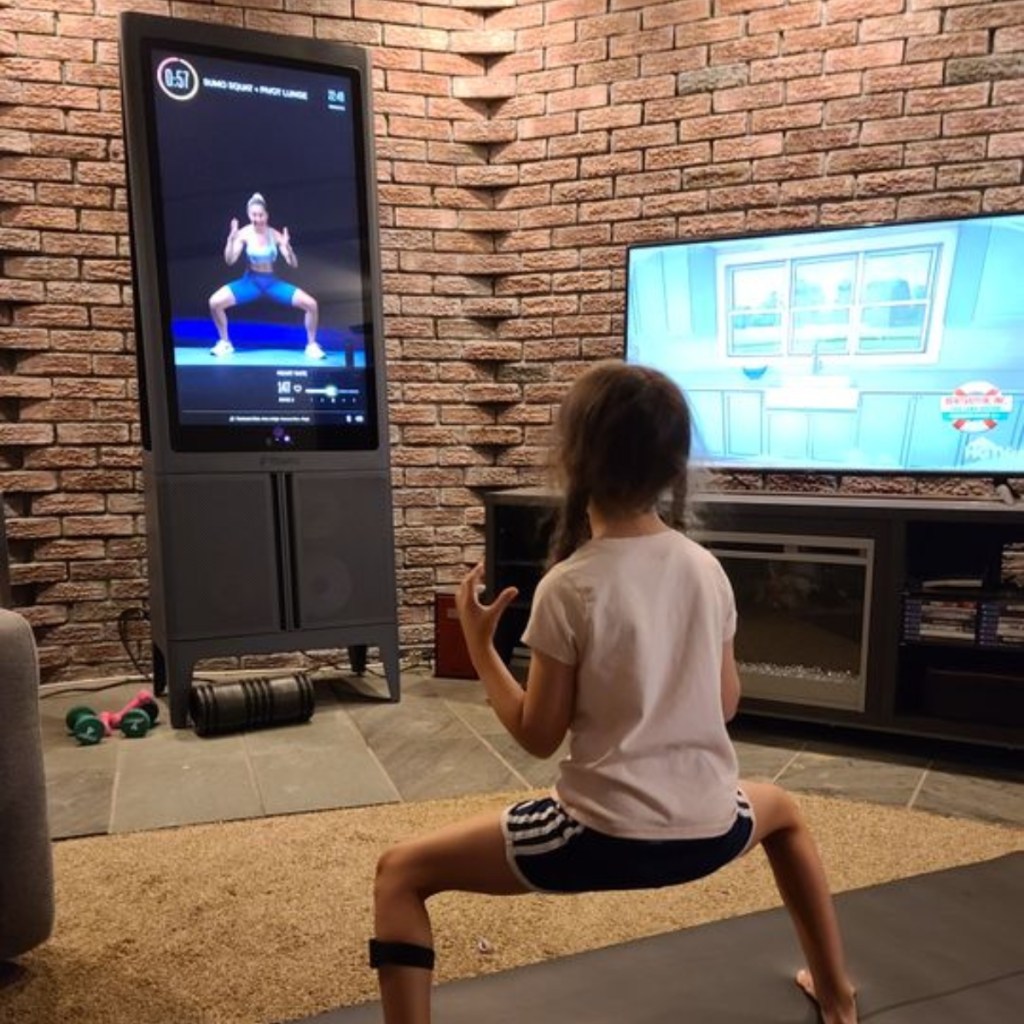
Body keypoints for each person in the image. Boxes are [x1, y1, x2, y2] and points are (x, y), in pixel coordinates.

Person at [371, 360, 858, 1024]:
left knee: (399, 872)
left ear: (573, 462)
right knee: (784, 813)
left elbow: (538, 737)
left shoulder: (570, 586)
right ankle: (837, 996)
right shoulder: (707, 570)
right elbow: (724, 705)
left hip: (598, 836)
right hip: (715, 827)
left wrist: (483, 649)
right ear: (673, 468)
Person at [207, 192, 323, 359]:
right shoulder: (244, 233)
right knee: (214, 302)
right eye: (254, 215)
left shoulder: (274, 235)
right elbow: (230, 260)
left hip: (271, 283)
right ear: (249, 215)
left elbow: (293, 264)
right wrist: (230, 240)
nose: (257, 219)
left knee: (311, 304)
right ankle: (225, 342)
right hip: (250, 282)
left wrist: (288, 248)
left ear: (266, 215)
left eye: (260, 215)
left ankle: (312, 345)